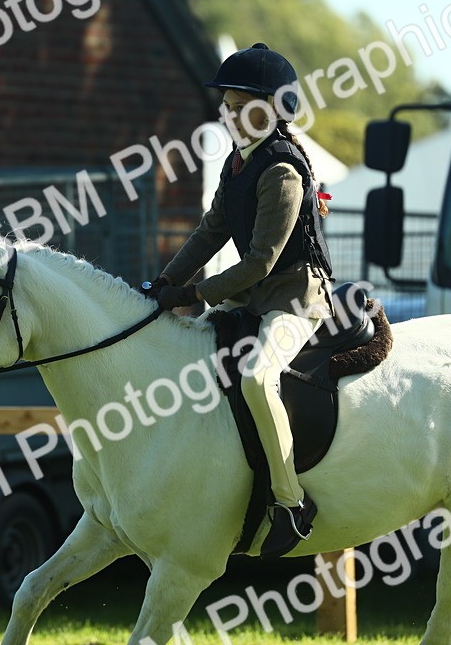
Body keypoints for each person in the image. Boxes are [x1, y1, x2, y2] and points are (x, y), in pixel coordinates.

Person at [145, 43, 334, 550]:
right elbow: (210, 233)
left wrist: (195, 293)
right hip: (252, 296)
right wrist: (163, 282)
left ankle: (290, 502)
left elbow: (260, 262)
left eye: (239, 106)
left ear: (274, 109)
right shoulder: (237, 164)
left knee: (256, 378)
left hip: (295, 298)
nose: (229, 116)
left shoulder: (281, 172)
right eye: (225, 106)